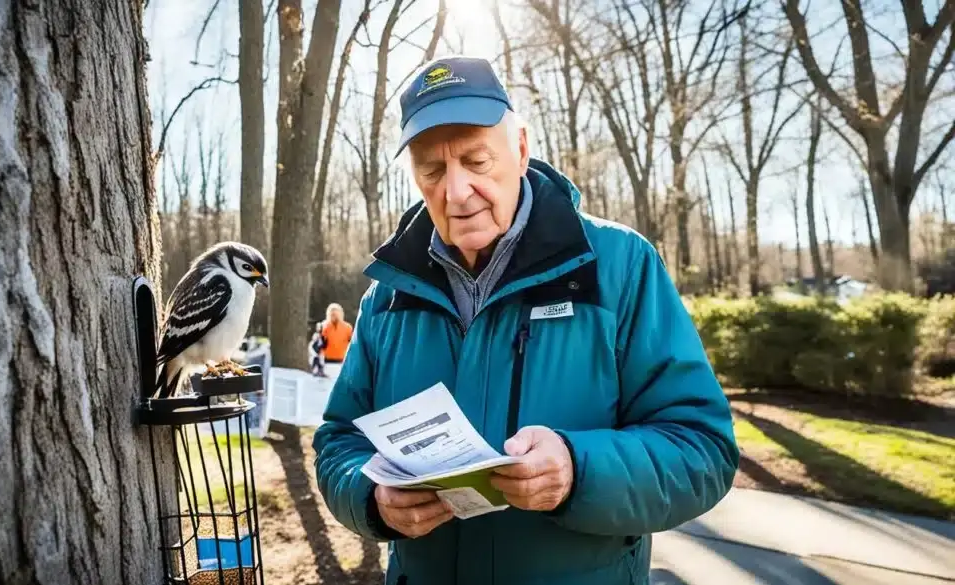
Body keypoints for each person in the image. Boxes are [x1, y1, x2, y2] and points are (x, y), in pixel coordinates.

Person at [313, 55, 739, 584]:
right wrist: (371, 498)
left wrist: (578, 469)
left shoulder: (620, 266)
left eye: (476, 160)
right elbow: (339, 441)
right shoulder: (386, 299)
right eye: (432, 170)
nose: (457, 190)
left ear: (519, 149)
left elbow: (703, 450)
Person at [312, 303, 353, 378]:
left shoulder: (348, 328)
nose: (334, 314)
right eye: (332, 312)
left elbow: (352, 345)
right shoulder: (323, 326)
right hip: (326, 363)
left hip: (341, 363)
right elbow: (316, 346)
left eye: (336, 312)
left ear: (341, 314)